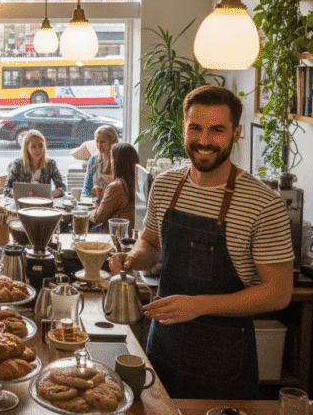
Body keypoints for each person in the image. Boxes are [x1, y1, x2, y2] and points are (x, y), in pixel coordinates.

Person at [108, 85, 293, 400]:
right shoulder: (165, 186)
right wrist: (131, 259)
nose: (204, 140)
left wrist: (200, 305)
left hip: (223, 364)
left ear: (235, 134)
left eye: (216, 130)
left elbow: (278, 294)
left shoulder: (263, 203)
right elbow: (150, 244)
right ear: (184, 128)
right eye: (196, 128)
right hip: (162, 347)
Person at [86, 143, 139, 231]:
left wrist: (96, 201)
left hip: (114, 234)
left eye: (112, 159)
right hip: (129, 233)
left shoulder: (116, 187)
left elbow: (98, 218)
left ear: (117, 162)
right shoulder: (138, 183)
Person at [5, 130, 66, 197]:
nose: (38, 150)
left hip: (43, 203)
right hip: (23, 203)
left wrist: (55, 193)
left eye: (40, 146)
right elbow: (6, 189)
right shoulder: (18, 164)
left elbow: (62, 187)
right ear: (27, 148)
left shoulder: (50, 164)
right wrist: (17, 193)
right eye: (33, 146)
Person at [82, 125, 120, 199]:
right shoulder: (93, 160)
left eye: (103, 142)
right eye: (97, 141)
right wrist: (85, 201)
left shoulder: (119, 160)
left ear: (112, 142)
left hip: (114, 203)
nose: (99, 145)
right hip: (96, 203)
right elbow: (87, 187)